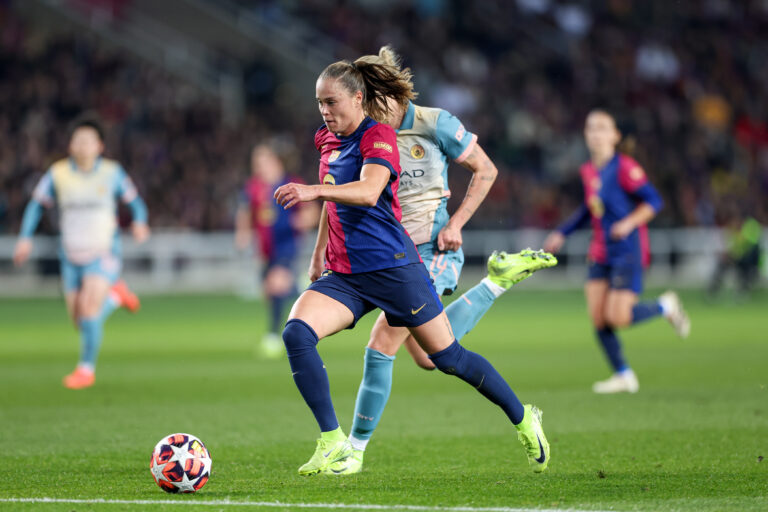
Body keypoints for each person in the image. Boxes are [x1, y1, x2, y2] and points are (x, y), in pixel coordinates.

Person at [274, 56, 550, 477]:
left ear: (358, 97)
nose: (325, 111)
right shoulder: (325, 140)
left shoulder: (379, 135)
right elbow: (333, 198)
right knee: (297, 332)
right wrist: (318, 254)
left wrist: (309, 191)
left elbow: (368, 192)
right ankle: (334, 445)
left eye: (331, 102)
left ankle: (523, 416)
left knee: (445, 357)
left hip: (396, 268)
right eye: (319, 104)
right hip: (346, 274)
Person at [543, 109, 690, 394]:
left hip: (627, 250)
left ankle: (665, 306)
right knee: (598, 318)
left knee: (618, 317)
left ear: (615, 136)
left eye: (602, 128)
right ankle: (624, 375)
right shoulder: (588, 171)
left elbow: (654, 201)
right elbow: (589, 208)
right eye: (590, 128)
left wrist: (628, 223)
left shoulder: (625, 167)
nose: (595, 133)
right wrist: (562, 232)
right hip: (600, 251)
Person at [13, 117, 149, 389]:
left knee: (88, 311)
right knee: (80, 321)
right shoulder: (58, 173)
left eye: (88, 140)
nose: (82, 145)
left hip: (103, 252)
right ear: (70, 145)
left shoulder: (112, 173)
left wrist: (140, 222)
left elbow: (136, 203)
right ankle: (116, 296)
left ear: (99, 146)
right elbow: (36, 205)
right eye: (77, 140)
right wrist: (25, 238)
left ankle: (85, 370)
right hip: (70, 255)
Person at [235, 142, 319, 358]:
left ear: (274, 161)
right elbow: (245, 211)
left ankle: (273, 337)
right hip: (265, 249)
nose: (258, 166)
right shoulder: (254, 187)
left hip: (287, 245)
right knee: (271, 291)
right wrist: (243, 233)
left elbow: (312, 211)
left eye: (262, 160)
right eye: (256, 162)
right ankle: (300, 287)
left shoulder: (291, 183)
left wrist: (303, 220)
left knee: (275, 284)